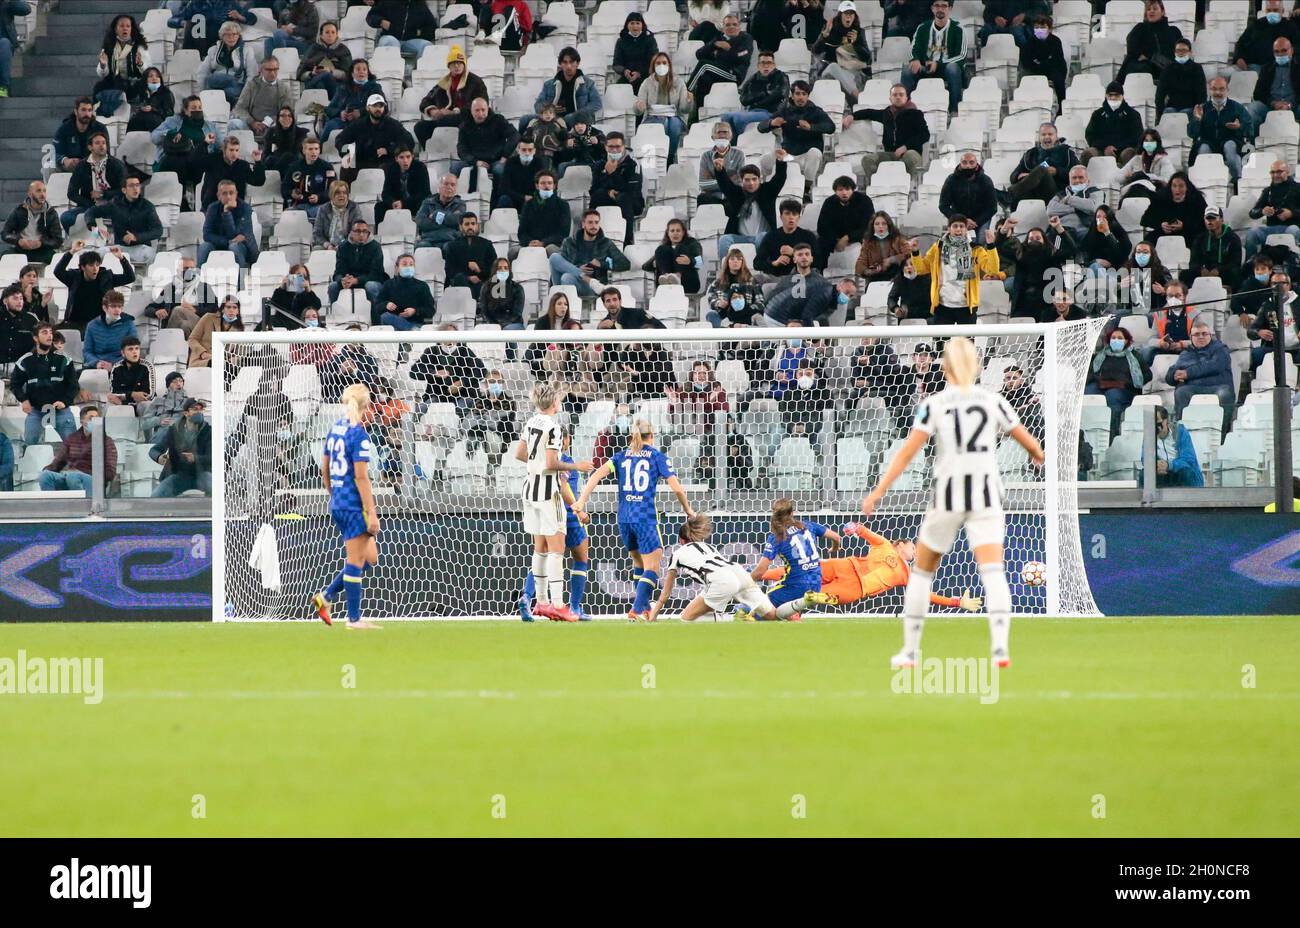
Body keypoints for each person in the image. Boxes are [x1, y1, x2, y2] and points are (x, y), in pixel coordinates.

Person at [861, 337, 1044, 669]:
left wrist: (878, 491)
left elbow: (906, 453)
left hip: (949, 491)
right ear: (976, 367)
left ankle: (911, 651)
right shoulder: (994, 401)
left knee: (921, 573)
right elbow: (1030, 443)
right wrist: (1037, 455)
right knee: (992, 569)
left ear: (943, 366)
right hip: (986, 490)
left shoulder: (934, 404)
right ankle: (1001, 648)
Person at [575, 417, 694, 622]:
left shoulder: (620, 456)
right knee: (653, 567)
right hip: (645, 517)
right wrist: (688, 510)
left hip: (624, 518)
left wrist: (581, 501)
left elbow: (595, 476)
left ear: (632, 437)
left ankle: (644, 608)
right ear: (653, 436)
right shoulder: (657, 457)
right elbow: (676, 487)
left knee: (639, 562)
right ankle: (636, 610)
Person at [761, 521, 982, 611]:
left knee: (811, 595)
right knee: (804, 570)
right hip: (845, 566)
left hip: (854, 589)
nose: (915, 552)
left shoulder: (906, 574)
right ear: (900, 545)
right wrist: (853, 528)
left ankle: (788, 611)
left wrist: (956, 602)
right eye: (913, 547)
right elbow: (864, 530)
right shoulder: (885, 545)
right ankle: (757, 576)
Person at [512, 383, 593, 622]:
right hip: (548, 493)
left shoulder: (531, 422)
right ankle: (558, 604)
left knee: (540, 550)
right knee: (557, 551)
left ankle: (542, 602)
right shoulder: (554, 428)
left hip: (529, 490)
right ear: (554, 403)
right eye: (558, 399)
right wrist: (575, 466)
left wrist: (536, 462)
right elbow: (551, 463)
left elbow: (519, 454)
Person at [312, 384, 382, 629]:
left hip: (339, 502)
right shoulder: (359, 435)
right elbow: (361, 478)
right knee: (355, 561)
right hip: (354, 506)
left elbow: (324, 468)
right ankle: (354, 619)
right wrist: (371, 512)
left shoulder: (336, 429)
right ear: (367, 406)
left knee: (368, 557)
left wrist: (333, 493)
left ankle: (326, 597)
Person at [649, 514, 800, 623]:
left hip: (722, 580)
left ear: (681, 540)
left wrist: (653, 615)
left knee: (686, 619)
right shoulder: (708, 546)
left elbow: (666, 593)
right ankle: (801, 605)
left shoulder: (677, 553)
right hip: (740, 573)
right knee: (772, 615)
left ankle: (733, 619)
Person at [748, 497, 843, 615]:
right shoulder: (808, 525)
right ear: (792, 513)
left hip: (795, 585)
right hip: (816, 583)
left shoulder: (777, 537)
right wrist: (835, 547)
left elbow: (760, 571)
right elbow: (836, 537)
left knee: (760, 608)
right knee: (780, 606)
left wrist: (743, 583)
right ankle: (803, 604)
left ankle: (795, 611)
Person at [906, 216, 1001, 325]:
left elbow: (993, 270)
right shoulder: (938, 247)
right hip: (942, 306)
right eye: (955, 226)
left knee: (966, 342)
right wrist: (915, 252)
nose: (958, 229)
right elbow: (921, 269)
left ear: (966, 229)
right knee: (941, 342)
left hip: (966, 307)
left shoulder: (976, 249)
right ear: (949, 229)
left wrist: (991, 246)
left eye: (962, 226)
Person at [759, 80, 834, 198]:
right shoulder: (784, 111)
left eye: (804, 94)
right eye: (798, 94)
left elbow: (831, 127)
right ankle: (766, 187)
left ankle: (807, 189)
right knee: (764, 160)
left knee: (814, 153)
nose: (801, 97)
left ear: (808, 96)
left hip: (807, 154)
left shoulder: (816, 111)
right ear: (792, 96)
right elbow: (760, 127)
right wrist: (771, 123)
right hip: (788, 154)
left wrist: (811, 127)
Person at [10, 323, 78, 444]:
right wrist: (24, 400)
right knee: (30, 444)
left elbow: (73, 385)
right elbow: (15, 384)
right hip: (36, 410)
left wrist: (64, 401)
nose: (49, 336)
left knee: (73, 447)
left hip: (61, 410)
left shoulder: (64, 359)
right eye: (44, 333)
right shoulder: (25, 361)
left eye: (50, 332)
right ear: (35, 338)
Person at [848, 83, 929, 183]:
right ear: (890, 98)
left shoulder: (915, 114)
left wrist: (906, 147)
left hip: (911, 153)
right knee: (867, 160)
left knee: (910, 156)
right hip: (891, 154)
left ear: (906, 97)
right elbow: (869, 113)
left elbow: (925, 135)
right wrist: (851, 116)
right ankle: (877, 185)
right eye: (895, 95)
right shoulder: (886, 113)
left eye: (901, 94)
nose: (898, 97)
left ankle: (904, 186)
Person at [714, 153, 790, 257]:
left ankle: (762, 266)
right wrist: (719, 170)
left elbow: (780, 178)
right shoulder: (737, 194)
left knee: (761, 237)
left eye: (754, 179)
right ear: (741, 181)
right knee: (724, 239)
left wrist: (781, 162)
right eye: (747, 180)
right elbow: (725, 184)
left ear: (760, 179)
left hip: (763, 236)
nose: (751, 183)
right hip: (741, 237)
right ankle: (725, 269)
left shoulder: (767, 192)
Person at [1167, 321, 1236, 435]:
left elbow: (1215, 366)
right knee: (1181, 392)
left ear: (1210, 335)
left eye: (1204, 334)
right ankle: (1181, 434)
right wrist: (1174, 375)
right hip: (1193, 388)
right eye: (1197, 334)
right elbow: (1172, 373)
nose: (1201, 337)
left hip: (1217, 386)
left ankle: (1222, 434)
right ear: (1191, 337)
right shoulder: (1186, 354)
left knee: (1224, 393)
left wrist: (1188, 373)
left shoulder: (1220, 349)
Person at [414, 45, 489, 145]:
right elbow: (426, 101)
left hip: (468, 119)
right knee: (420, 127)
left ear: (464, 65)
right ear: (449, 66)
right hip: (444, 119)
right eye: (453, 63)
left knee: (446, 120)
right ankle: (432, 154)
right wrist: (433, 111)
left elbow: (482, 103)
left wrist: (453, 112)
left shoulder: (476, 82)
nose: (457, 66)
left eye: (459, 63)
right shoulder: (443, 83)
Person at [900, 0, 966, 112]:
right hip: (925, 66)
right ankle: (904, 110)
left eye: (944, 6)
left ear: (950, 8)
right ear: (932, 8)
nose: (940, 9)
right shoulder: (922, 27)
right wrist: (915, 59)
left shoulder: (958, 29)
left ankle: (955, 110)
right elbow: (913, 48)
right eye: (937, 6)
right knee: (907, 70)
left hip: (946, 67)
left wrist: (939, 65)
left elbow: (961, 55)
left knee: (953, 68)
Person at [52, 243, 135, 331]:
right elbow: (58, 271)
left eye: (97, 265)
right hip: (76, 323)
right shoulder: (74, 277)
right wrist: (72, 252)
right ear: (83, 267)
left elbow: (130, 277)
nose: (95, 268)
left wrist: (121, 258)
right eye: (91, 265)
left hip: (100, 323)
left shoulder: (106, 278)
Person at [549, 209, 630, 298]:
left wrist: (602, 264)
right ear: (583, 224)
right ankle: (588, 280)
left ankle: (561, 300)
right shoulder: (569, 242)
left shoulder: (606, 243)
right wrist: (578, 269)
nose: (594, 226)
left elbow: (625, 264)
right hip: (570, 281)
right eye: (590, 222)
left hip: (592, 288)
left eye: (596, 222)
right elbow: (560, 265)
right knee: (554, 257)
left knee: (567, 277)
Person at [1086, 326, 1151, 438]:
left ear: (1126, 340)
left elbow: (1148, 375)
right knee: (1089, 391)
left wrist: (1127, 383)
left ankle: (1112, 433)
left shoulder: (1135, 356)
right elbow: (1091, 373)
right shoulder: (1101, 355)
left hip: (1125, 389)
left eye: (1120, 338)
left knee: (1113, 395)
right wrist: (1098, 380)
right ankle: (1086, 429)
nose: (1116, 340)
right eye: (1114, 337)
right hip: (1102, 387)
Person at [686, 13, 753, 119]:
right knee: (702, 81)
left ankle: (687, 91)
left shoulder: (746, 38)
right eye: (728, 25)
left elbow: (741, 56)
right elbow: (699, 54)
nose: (731, 27)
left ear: (739, 27)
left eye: (734, 24)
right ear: (723, 28)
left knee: (705, 65)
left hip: (735, 74)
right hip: (718, 72)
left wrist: (721, 53)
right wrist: (714, 45)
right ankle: (697, 118)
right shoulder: (719, 38)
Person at [151, 94, 223, 193]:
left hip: (199, 160)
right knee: (177, 162)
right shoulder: (173, 121)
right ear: (185, 110)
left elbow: (222, 145)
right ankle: (181, 196)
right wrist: (170, 133)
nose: (197, 110)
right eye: (193, 108)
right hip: (175, 158)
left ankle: (196, 197)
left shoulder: (210, 126)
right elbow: (154, 137)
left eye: (199, 107)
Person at [85, 175, 163, 265]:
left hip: (141, 248)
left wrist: (136, 237)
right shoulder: (115, 204)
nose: (135, 188)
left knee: (149, 254)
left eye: (137, 185)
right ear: (124, 190)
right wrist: (94, 228)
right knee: (97, 253)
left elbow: (158, 230)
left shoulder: (148, 206)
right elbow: (90, 211)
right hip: (120, 248)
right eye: (131, 186)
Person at [39, 406, 116, 497]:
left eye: (97, 418)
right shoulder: (72, 438)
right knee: (46, 476)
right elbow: (58, 462)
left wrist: (82, 473)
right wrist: (45, 470)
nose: (94, 421)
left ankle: (80, 506)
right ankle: (52, 507)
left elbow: (110, 472)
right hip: (70, 476)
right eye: (91, 418)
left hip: (93, 480)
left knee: (73, 476)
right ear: (82, 421)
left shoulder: (106, 441)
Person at [1007, 218, 1076, 320]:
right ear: (1026, 242)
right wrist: (1004, 230)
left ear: (1044, 241)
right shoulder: (1020, 257)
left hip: (1049, 304)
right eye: (1031, 238)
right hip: (1024, 305)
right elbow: (1001, 246)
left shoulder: (1053, 255)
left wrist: (1058, 227)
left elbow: (1072, 250)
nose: (1034, 240)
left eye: (1038, 238)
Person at [1005, 122, 1080, 207]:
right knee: (1039, 172)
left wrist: (1057, 171)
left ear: (1056, 136)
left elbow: (1079, 174)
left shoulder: (1067, 153)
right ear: (1039, 137)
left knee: (1041, 169)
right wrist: (1022, 176)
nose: (1047, 137)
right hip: (1032, 194)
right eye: (1043, 134)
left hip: (1056, 194)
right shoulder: (1030, 154)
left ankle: (1009, 196)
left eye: (1050, 134)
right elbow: (1013, 176)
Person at [63, 131, 125, 233]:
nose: (102, 146)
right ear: (90, 147)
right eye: (97, 143)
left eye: (104, 143)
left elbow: (124, 190)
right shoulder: (82, 166)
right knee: (66, 217)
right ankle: (78, 243)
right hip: (88, 205)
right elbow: (71, 193)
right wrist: (89, 203)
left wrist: (104, 194)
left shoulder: (117, 165)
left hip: (112, 205)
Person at [335, 94, 414, 173]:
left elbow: (409, 141)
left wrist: (389, 150)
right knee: (345, 165)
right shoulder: (358, 125)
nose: (378, 109)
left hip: (385, 162)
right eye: (375, 106)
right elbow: (339, 140)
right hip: (363, 160)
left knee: (388, 168)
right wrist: (350, 152)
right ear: (367, 108)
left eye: (381, 106)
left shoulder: (392, 124)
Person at [452, 97, 519, 189]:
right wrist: (475, 162)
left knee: (500, 170)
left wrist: (505, 156)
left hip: (496, 160)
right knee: (455, 167)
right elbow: (461, 149)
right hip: (474, 161)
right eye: (477, 110)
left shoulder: (498, 120)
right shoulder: (465, 126)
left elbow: (514, 135)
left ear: (488, 109)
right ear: (471, 111)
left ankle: (499, 197)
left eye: (483, 110)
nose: (480, 113)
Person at [589, 132, 644, 245]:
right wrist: (608, 192)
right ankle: (591, 238)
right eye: (611, 147)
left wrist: (613, 174)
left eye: (618, 147)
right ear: (605, 147)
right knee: (596, 196)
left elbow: (631, 189)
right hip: (608, 197)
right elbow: (593, 189)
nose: (614, 150)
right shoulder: (600, 164)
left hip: (632, 201)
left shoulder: (633, 164)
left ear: (623, 147)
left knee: (624, 197)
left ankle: (627, 241)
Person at [635, 52, 691, 164]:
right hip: (652, 116)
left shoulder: (679, 82)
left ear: (669, 65)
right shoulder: (647, 83)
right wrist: (639, 106)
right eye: (658, 63)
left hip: (675, 117)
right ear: (653, 66)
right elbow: (637, 109)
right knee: (663, 123)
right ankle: (660, 157)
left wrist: (689, 102)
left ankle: (670, 157)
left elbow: (684, 109)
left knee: (673, 125)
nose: (662, 65)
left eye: (664, 63)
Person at [149, 398, 211, 497]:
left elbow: (213, 457)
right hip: (179, 475)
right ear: (186, 413)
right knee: (156, 496)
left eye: (201, 409)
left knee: (217, 490)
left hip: (202, 473)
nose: (199, 412)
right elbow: (154, 450)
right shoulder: (174, 430)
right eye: (195, 409)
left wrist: (195, 458)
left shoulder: (209, 432)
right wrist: (160, 457)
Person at [1190, 77, 1249, 181]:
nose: (1218, 92)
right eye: (1214, 89)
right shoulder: (1202, 108)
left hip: (1232, 141)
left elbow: (1249, 128)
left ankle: (1238, 181)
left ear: (1227, 90)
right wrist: (1197, 120)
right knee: (1203, 148)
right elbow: (1191, 133)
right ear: (1209, 90)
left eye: (1221, 89)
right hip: (1209, 142)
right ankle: (1204, 182)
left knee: (1229, 146)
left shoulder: (1237, 108)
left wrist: (1239, 127)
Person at [92, 14, 151, 117]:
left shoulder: (139, 46)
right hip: (113, 82)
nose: (125, 28)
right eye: (122, 26)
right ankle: (95, 113)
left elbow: (148, 72)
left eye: (128, 26)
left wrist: (140, 64)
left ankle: (111, 112)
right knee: (98, 86)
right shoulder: (109, 46)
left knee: (121, 82)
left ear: (131, 29)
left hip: (133, 84)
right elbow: (102, 74)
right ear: (116, 29)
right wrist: (102, 65)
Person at [813, 1, 873, 100]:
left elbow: (868, 58)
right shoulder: (830, 29)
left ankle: (850, 103)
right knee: (833, 67)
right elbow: (815, 51)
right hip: (831, 71)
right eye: (846, 13)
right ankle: (859, 97)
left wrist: (855, 43)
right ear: (840, 15)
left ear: (855, 16)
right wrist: (824, 36)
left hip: (852, 72)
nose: (848, 17)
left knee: (844, 79)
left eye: (851, 14)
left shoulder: (858, 32)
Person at [723, 49, 788, 138]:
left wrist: (756, 100)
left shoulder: (781, 77)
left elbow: (780, 94)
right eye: (763, 63)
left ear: (774, 65)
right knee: (726, 116)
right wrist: (760, 95)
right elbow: (743, 100)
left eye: (769, 63)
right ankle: (731, 142)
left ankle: (739, 142)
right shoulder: (753, 78)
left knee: (739, 118)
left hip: (771, 112)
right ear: (758, 65)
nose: (766, 66)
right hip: (753, 111)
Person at [533, 46, 602, 128]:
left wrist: (577, 114)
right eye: (565, 62)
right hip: (553, 119)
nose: (569, 66)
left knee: (568, 118)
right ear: (560, 64)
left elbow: (597, 103)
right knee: (525, 119)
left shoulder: (588, 83)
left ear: (577, 63)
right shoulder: (549, 84)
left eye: (572, 62)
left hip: (578, 121)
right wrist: (550, 108)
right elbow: (537, 104)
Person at [1117, 0, 1184, 84]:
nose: (1151, 11)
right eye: (1148, 9)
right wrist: (1149, 56)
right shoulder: (1140, 28)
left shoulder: (1174, 31)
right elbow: (1132, 48)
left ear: (1162, 12)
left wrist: (1149, 55)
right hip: (1144, 70)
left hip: (1168, 68)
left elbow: (1181, 50)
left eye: (1155, 8)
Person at [1245, 160, 1300, 259]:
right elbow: (1252, 213)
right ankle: (1250, 266)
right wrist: (1262, 211)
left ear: (1287, 172)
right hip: (1271, 228)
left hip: (1293, 227)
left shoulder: (1298, 188)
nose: (1275, 175)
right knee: (1252, 233)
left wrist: (1292, 214)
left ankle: (1292, 263)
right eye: (1272, 172)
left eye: (1279, 172)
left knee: (1293, 230)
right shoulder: (1268, 191)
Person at [1140, 404, 1205, 487]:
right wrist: (1155, 465)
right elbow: (1144, 458)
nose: (1154, 424)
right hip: (1162, 474)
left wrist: (1169, 465)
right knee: (1144, 474)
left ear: (1165, 421)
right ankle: (1148, 498)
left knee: (1186, 472)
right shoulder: (1149, 434)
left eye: (1156, 420)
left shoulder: (1180, 431)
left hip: (1179, 471)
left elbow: (1189, 459)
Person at [1248, 270, 1300, 373]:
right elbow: (1250, 331)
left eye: (1282, 283)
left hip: (1297, 348)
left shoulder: (1298, 302)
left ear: (1289, 285)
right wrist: (1259, 332)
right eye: (1275, 283)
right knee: (1256, 354)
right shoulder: (1268, 305)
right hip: (1275, 349)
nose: (1278, 286)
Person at [322, 58, 383, 144]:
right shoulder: (342, 88)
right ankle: (319, 150)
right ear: (352, 73)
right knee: (331, 125)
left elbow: (383, 108)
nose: (361, 72)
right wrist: (340, 113)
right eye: (358, 69)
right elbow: (329, 109)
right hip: (344, 121)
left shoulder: (375, 87)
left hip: (365, 120)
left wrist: (360, 113)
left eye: (364, 69)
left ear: (368, 73)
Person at [1140, 172, 1208, 249]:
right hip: (1163, 233)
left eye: (1181, 186)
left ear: (1187, 187)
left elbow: (1203, 223)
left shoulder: (1196, 199)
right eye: (1174, 186)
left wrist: (1184, 226)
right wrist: (1161, 225)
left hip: (1189, 234)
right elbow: (1145, 220)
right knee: (1147, 244)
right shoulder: (1161, 198)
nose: (1177, 190)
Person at [199, 135, 267, 210]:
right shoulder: (212, 160)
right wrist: (205, 143)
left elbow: (259, 181)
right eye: (231, 150)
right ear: (224, 150)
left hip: (235, 208)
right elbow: (195, 162)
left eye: (236, 150)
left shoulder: (242, 165)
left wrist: (258, 161)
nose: (234, 154)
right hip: (211, 206)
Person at [200, 180, 258, 267]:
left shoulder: (245, 208)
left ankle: (240, 278)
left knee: (234, 247)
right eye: (224, 193)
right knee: (204, 246)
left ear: (236, 194)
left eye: (231, 193)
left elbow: (235, 234)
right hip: (221, 244)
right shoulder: (212, 208)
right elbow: (207, 235)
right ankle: (199, 277)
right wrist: (228, 241)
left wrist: (227, 213)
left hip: (244, 246)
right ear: (218, 196)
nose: (229, 196)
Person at [1084, 82, 1144, 166]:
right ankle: (1084, 178)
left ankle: (1129, 178)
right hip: (1101, 149)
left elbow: (1137, 137)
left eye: (1116, 95)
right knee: (1087, 154)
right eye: (1110, 95)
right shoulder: (1097, 114)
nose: (1113, 98)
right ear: (1106, 96)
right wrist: (1105, 147)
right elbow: (1090, 135)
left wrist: (1116, 147)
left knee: (1130, 154)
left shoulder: (1133, 115)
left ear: (1122, 96)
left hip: (1124, 149)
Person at [2, 180, 62, 263]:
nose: (42, 194)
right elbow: (5, 233)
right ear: (30, 194)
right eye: (38, 191)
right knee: (4, 257)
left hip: (42, 250)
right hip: (21, 250)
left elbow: (58, 240)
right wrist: (18, 241)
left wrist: (41, 243)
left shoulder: (51, 213)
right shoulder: (19, 211)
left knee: (58, 260)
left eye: (44, 191)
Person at [938, 150, 997, 234]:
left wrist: (976, 222)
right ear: (960, 164)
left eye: (971, 162)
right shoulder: (951, 180)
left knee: (981, 243)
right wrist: (961, 220)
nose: (968, 166)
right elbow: (943, 205)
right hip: (958, 219)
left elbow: (992, 207)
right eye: (964, 162)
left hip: (981, 219)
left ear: (976, 165)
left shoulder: (986, 180)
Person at [232, 55, 292, 137]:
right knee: (234, 124)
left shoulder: (284, 88)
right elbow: (240, 108)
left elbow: (287, 112)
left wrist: (267, 123)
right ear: (261, 70)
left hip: (273, 125)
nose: (272, 73)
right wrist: (252, 122)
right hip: (250, 125)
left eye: (275, 69)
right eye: (269, 70)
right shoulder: (252, 85)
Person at [757, 198, 820, 276]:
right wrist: (774, 263)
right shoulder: (771, 236)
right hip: (778, 279)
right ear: (781, 217)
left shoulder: (808, 236)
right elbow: (757, 263)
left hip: (804, 278)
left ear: (799, 218)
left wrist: (795, 253)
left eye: (794, 214)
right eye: (787, 213)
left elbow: (818, 261)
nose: (791, 217)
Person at [199, 21, 257, 107]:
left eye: (234, 34)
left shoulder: (247, 50)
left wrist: (246, 94)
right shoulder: (213, 49)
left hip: (236, 84)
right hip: (216, 82)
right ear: (222, 36)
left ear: (238, 35)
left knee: (228, 92)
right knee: (211, 80)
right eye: (227, 34)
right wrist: (201, 93)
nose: (231, 37)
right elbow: (202, 72)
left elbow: (252, 74)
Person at [1188, 206, 1244, 294]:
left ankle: (1227, 291)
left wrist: (1219, 271)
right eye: (1207, 218)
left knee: (1236, 273)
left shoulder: (1233, 238)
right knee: (1185, 274)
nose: (1210, 221)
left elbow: (1235, 263)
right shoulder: (1200, 238)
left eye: (1213, 218)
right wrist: (1201, 270)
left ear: (1221, 219)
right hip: (1204, 273)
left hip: (1224, 273)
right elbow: (1193, 262)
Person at [1249, 36, 1300, 132]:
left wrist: (1290, 105)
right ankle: (1253, 143)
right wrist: (1273, 103)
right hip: (1271, 107)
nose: (1280, 54)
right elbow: (1258, 94)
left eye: (1284, 50)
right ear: (1273, 53)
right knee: (1253, 107)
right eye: (1277, 51)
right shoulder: (1266, 69)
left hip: (1294, 107)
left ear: (1291, 51)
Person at [329, 218, 386, 303]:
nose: (361, 234)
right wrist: (342, 280)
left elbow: (377, 274)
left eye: (365, 231)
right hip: (349, 281)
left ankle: (377, 314)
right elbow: (338, 272)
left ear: (368, 233)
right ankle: (336, 314)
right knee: (333, 286)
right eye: (358, 231)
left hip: (369, 280)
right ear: (351, 233)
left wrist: (356, 280)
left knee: (371, 286)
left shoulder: (375, 247)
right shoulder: (343, 247)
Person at [1233, 0, 1299, 73]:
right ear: (1265, 11)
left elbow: (1297, 47)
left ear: (1282, 11)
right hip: (1254, 67)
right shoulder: (1256, 24)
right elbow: (1241, 43)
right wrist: (1239, 58)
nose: (1272, 13)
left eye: (1275, 10)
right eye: (1269, 10)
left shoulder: (1290, 27)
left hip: (1279, 69)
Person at [706, 248, 765, 327]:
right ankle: (721, 335)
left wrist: (747, 309)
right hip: (725, 316)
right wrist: (719, 303)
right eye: (732, 259)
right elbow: (711, 298)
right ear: (727, 262)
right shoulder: (718, 282)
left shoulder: (751, 281)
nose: (735, 261)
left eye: (739, 259)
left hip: (746, 317)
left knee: (758, 318)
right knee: (711, 315)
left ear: (742, 262)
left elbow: (760, 302)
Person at [374, 254, 433, 329]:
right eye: (404, 264)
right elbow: (377, 306)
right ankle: (411, 329)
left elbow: (430, 310)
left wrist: (415, 311)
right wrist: (386, 305)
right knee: (385, 316)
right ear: (397, 268)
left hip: (416, 322)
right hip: (394, 325)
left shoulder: (422, 286)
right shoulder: (388, 284)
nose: (408, 267)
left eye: (411, 265)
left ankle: (410, 329)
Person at [283, 136, 337, 219]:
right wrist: (292, 193)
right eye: (310, 149)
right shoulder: (294, 167)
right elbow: (284, 188)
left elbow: (333, 190)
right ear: (304, 151)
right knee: (287, 215)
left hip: (320, 205)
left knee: (316, 213)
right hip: (300, 205)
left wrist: (319, 197)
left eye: (316, 149)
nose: (314, 152)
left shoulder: (327, 167)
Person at [445, 212, 497, 297]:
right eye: (467, 224)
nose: (470, 227)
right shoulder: (452, 246)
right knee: (459, 278)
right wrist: (468, 278)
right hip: (462, 283)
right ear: (461, 226)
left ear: (477, 225)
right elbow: (450, 270)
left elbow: (494, 267)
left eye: (473, 224)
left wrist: (479, 271)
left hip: (482, 281)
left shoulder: (486, 244)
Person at [1018, 14, 1067, 102]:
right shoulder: (1029, 42)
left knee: (1058, 79)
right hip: (1034, 70)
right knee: (1025, 77)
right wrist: (1040, 63)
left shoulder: (1056, 41)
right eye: (1037, 27)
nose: (1039, 30)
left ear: (1050, 29)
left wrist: (1039, 62)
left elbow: (1056, 60)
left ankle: (1061, 106)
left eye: (1043, 27)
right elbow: (1026, 61)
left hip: (1053, 70)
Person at [367, 0, 437, 61]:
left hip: (410, 41)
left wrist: (418, 33)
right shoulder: (387, 2)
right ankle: (391, 73)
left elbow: (432, 27)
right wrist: (381, 21)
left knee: (427, 46)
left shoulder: (421, 6)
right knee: (390, 41)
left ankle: (417, 72)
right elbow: (371, 16)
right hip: (390, 36)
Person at [298, 19, 352, 97]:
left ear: (337, 35)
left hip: (336, 85)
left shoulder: (343, 50)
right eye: (327, 32)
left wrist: (331, 71)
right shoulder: (313, 49)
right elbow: (301, 73)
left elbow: (348, 75)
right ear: (321, 35)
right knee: (320, 84)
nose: (330, 35)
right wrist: (311, 73)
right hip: (315, 80)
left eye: (333, 32)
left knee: (326, 75)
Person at [517, 169, 568, 254]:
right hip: (531, 244)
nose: (546, 186)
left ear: (554, 185)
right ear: (537, 186)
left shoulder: (563, 205)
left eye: (549, 183)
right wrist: (529, 242)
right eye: (543, 183)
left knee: (551, 250)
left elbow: (563, 232)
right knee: (513, 252)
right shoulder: (528, 204)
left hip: (553, 244)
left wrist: (543, 242)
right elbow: (522, 231)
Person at [646, 219, 703, 293]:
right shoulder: (663, 248)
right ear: (668, 233)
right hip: (665, 287)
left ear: (683, 232)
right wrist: (656, 263)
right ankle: (666, 278)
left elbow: (699, 263)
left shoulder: (692, 243)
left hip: (687, 284)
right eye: (672, 231)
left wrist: (690, 261)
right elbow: (645, 266)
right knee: (662, 249)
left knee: (680, 247)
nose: (675, 233)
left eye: (678, 231)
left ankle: (677, 277)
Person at [494, 136, 549, 212]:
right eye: (524, 150)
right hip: (515, 199)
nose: (527, 153)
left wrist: (532, 197)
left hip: (532, 199)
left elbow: (542, 187)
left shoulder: (539, 163)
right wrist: (523, 197)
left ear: (534, 151)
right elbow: (503, 188)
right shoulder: (511, 163)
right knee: (504, 199)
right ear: (518, 150)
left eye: (530, 150)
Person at [1047, 165, 1104, 238]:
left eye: (1081, 177)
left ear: (1088, 180)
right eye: (1074, 178)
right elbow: (1050, 210)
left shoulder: (1096, 191)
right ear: (1069, 180)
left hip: (1084, 230)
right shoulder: (1061, 194)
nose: (1077, 180)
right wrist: (1078, 207)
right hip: (1062, 229)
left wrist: (1069, 199)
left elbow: (1094, 207)